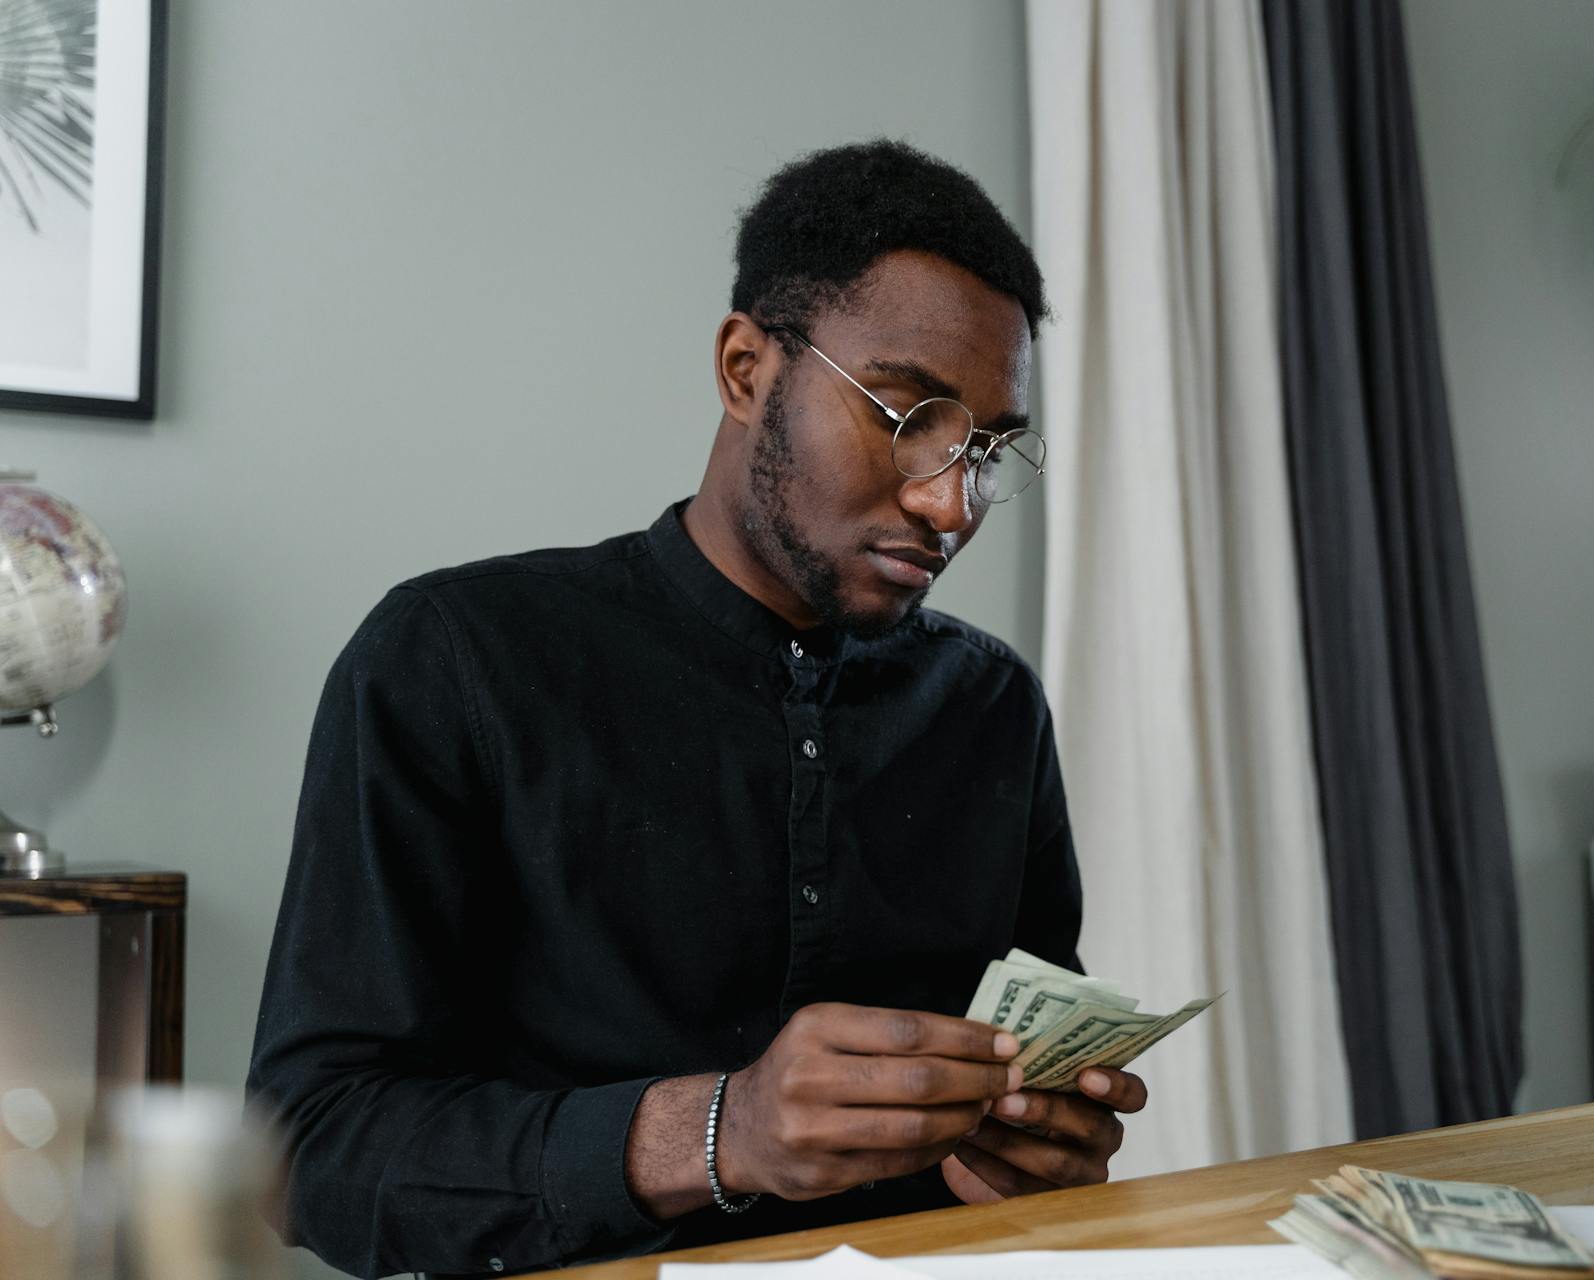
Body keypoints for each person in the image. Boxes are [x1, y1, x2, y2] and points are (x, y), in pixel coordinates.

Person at [246, 139, 1149, 1279]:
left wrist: (1037, 1146)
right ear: (744, 369)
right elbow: (305, 1150)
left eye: (986, 448)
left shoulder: (992, 705)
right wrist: (718, 1129)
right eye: (908, 415)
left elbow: (1026, 1104)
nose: (948, 500)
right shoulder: (454, 658)